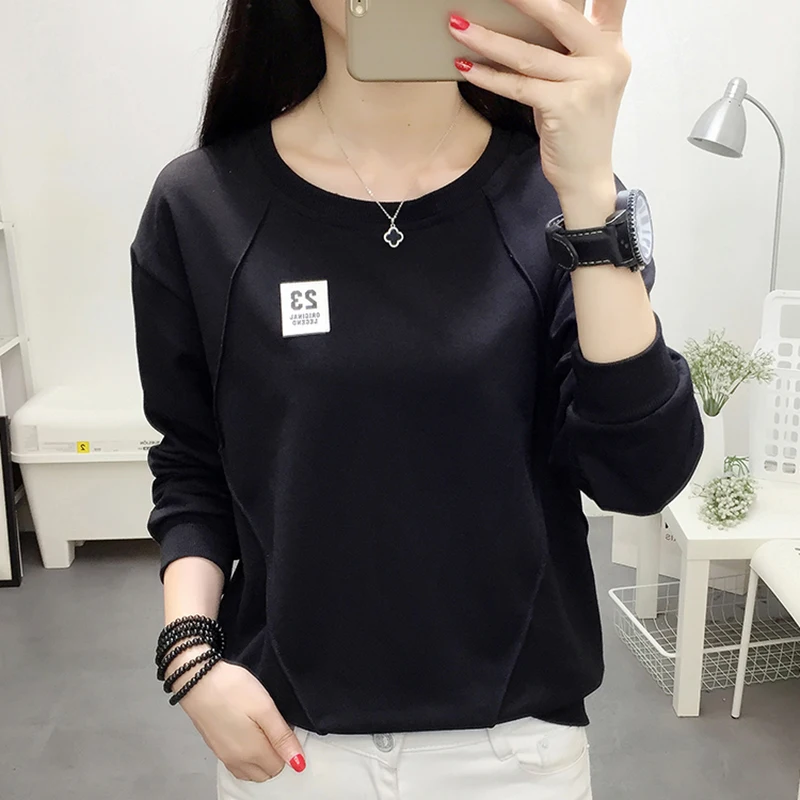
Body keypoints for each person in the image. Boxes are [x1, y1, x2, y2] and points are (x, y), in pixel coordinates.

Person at [131, 0, 702, 797]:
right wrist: (189, 657)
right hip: (290, 749)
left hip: (515, 757)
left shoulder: (555, 200)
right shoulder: (202, 204)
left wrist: (587, 192)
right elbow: (193, 463)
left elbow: (640, 474)